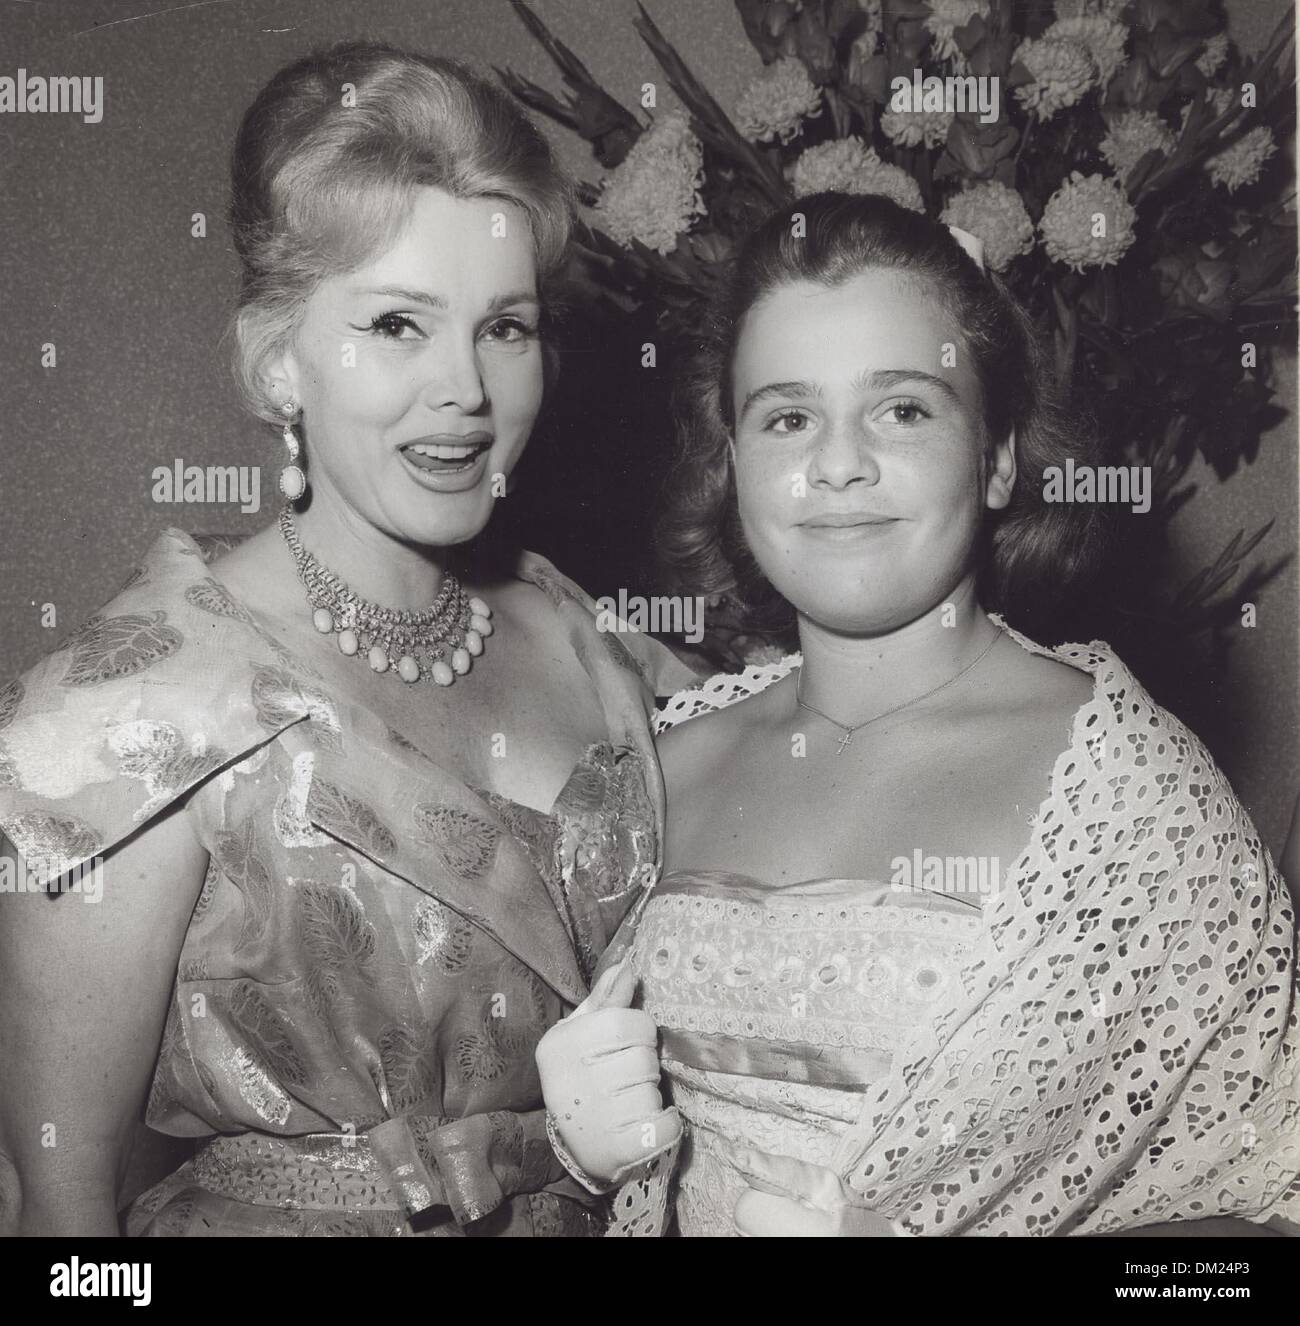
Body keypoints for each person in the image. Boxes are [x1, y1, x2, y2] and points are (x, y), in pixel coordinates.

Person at [0, 41, 693, 1237]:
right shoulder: (127, 713)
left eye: (505, 329)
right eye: (396, 324)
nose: (464, 391)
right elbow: (54, 1211)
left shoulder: (587, 637)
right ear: (279, 362)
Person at [537, 192, 1300, 1237]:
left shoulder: (1132, 803)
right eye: (788, 416)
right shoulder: (654, 767)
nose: (838, 463)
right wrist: (574, 1163)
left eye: (902, 408)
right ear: (734, 468)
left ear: (994, 459)